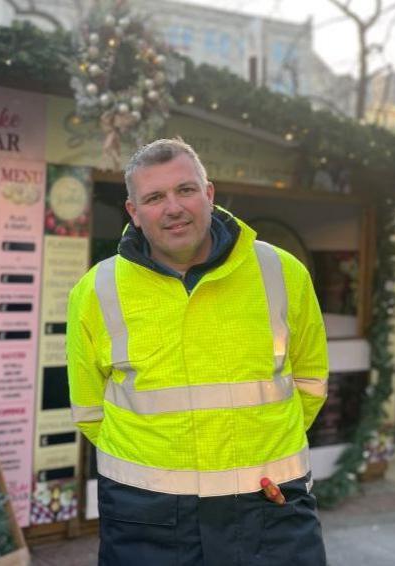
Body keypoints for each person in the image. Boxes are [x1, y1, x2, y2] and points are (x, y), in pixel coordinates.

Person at [67, 138, 329, 565]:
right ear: (133, 212)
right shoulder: (96, 290)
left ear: (208, 194)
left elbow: (311, 381)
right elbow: (89, 408)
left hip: (270, 503)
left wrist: (255, 453)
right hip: (145, 514)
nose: (173, 208)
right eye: (154, 197)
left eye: (185, 190)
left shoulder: (282, 272)